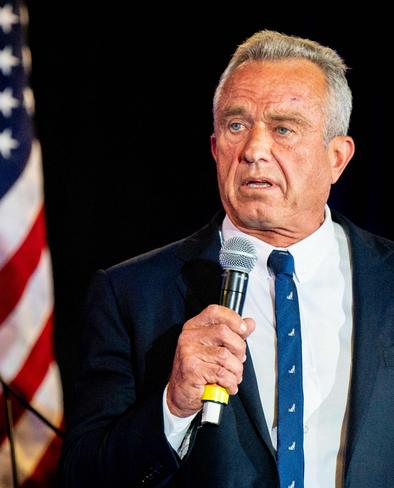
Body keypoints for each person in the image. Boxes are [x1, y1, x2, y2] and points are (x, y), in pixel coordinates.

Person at [59, 30, 394, 487]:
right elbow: (85, 476)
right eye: (236, 126)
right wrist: (173, 407)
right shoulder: (130, 295)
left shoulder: (388, 279)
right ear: (216, 148)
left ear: (337, 157)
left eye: (283, 128)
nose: (254, 150)